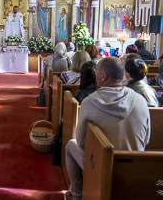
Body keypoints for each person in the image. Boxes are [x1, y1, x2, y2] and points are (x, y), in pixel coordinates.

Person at [64, 57, 150, 200]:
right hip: (135, 166)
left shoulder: (89, 102)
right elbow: (146, 138)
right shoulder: (140, 99)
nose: (96, 74)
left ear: (103, 76)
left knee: (69, 146)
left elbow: (81, 142)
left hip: (102, 167)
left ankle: (77, 196)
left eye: (97, 72)